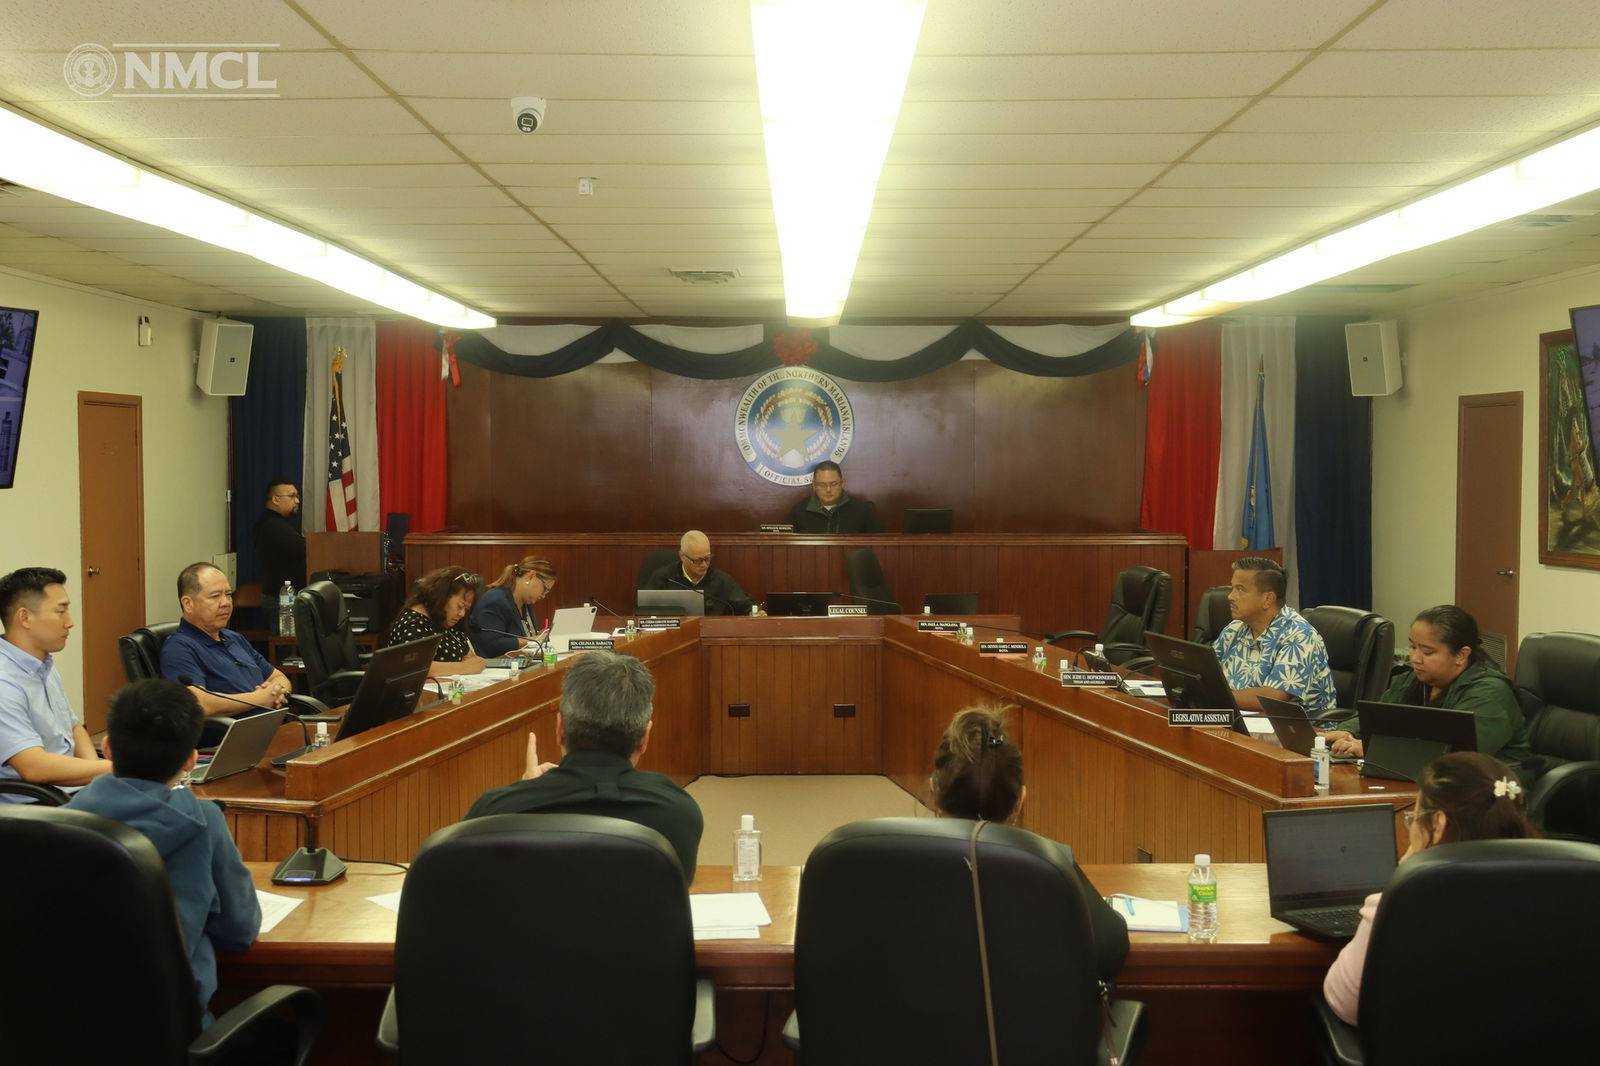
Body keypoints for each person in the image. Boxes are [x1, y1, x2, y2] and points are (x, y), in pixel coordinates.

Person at [65, 679, 262, 1023]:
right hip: (170, 1030)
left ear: (107, 749)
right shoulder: (202, 822)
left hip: (57, 1030)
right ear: (190, 760)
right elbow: (239, 931)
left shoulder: (54, 823)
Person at [1322, 750, 1537, 1025]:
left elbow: (1345, 1000)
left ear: (1437, 824)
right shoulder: (1559, 893)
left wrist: (1400, 877)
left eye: (1414, 817)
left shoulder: (1404, 903)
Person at [464, 649, 703, 882]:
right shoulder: (677, 812)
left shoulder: (491, 815)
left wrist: (522, 795)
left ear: (560, 729)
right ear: (645, 738)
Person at [928, 706, 1128, 980]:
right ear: (1019, 802)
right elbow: (1111, 949)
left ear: (935, 795)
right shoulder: (1050, 865)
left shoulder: (889, 865)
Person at [1323, 604, 1534, 779]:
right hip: (1421, 780)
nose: (1415, 658)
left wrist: (1373, 750)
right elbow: (1380, 714)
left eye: (1427, 651)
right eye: (1413, 647)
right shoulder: (1416, 680)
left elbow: (1458, 757)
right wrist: (1348, 732)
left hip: (1488, 792)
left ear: (1461, 655)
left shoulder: (1490, 693)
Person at [0, 567, 112, 799]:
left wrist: (97, 778)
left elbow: (73, 727)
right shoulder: (4, 681)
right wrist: (118, 770)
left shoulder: (42, 664)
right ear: (25, 617)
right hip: (37, 807)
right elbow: (34, 767)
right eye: (61, 611)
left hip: (72, 792)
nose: (70, 622)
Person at [160, 562, 292, 718]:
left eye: (228, 594)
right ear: (188, 604)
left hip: (274, 724)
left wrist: (276, 692)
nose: (226, 603)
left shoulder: (234, 638)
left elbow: (279, 677)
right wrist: (260, 699)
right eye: (215, 596)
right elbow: (199, 704)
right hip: (232, 732)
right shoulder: (179, 648)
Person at [1211, 557, 1336, 713]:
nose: (1230, 596)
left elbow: (1271, 698)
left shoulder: (1299, 636)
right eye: (1233, 588)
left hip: (1295, 725)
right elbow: (1206, 673)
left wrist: (1213, 695)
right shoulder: (1235, 629)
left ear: (1268, 599)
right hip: (1237, 716)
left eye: (1240, 589)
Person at [387, 566, 486, 677]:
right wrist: (464, 667)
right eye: (459, 606)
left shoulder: (447, 621)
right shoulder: (413, 624)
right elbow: (414, 667)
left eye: (466, 609)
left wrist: (471, 663)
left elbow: (469, 658)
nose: (462, 614)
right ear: (443, 597)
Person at [643, 530, 758, 616]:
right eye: (698, 560)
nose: (704, 565)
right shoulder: (663, 578)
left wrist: (757, 612)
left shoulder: (721, 580)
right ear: (682, 556)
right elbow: (643, 612)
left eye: (707, 558)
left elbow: (746, 607)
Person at [469, 556, 557, 657]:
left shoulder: (527, 603)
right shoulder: (495, 600)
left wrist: (539, 636)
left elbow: (525, 639)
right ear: (531, 576)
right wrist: (535, 639)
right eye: (545, 589)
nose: (544, 595)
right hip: (493, 664)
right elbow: (492, 644)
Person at [785, 461, 884, 534]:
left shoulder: (862, 510)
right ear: (814, 486)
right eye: (822, 485)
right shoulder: (799, 511)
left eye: (834, 484)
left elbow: (879, 544)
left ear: (842, 483)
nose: (828, 490)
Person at [252, 478, 306, 593]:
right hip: (281, 597)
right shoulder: (272, 525)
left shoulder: (279, 522)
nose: (297, 501)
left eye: (297, 496)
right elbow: (305, 548)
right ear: (276, 500)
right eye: (292, 496)